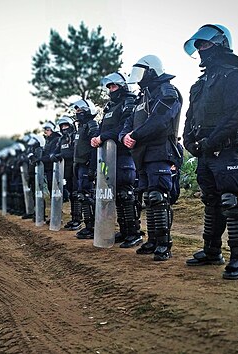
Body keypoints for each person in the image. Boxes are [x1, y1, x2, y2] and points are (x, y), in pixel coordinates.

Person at [182, 24, 238, 279]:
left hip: (225, 150)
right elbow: (190, 117)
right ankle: (212, 251)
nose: (201, 49)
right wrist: (188, 141)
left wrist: (212, 141)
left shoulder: (234, 76)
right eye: (198, 45)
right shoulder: (199, 84)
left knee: (231, 202)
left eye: (205, 44)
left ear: (220, 44)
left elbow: (237, 114)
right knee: (211, 201)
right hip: (203, 152)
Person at [120, 55, 183, 261]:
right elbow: (128, 122)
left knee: (159, 197)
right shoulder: (142, 97)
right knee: (148, 197)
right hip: (142, 155)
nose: (138, 79)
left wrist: (134, 136)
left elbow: (160, 121)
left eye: (141, 74)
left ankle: (164, 244)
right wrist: (124, 137)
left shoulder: (167, 91)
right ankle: (153, 240)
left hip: (160, 151)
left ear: (152, 71)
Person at [92, 72, 143, 247]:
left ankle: (134, 232)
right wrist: (97, 137)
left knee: (126, 194)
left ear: (122, 86)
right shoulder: (109, 108)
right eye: (109, 87)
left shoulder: (129, 102)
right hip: (108, 158)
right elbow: (103, 129)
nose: (111, 90)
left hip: (124, 157)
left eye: (114, 86)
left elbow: (123, 128)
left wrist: (103, 136)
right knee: (116, 197)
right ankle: (124, 230)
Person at [71, 99, 100, 240]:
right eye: (77, 111)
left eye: (80, 111)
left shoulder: (92, 125)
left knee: (87, 196)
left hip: (87, 165)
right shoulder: (80, 127)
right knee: (81, 195)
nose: (78, 113)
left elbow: (95, 147)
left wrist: (92, 168)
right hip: (79, 165)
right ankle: (88, 226)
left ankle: (93, 227)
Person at [51, 116, 81, 230]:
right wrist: (53, 155)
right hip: (65, 170)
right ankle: (73, 218)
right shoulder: (61, 139)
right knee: (71, 194)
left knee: (76, 194)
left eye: (66, 125)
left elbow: (75, 151)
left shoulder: (74, 136)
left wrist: (61, 155)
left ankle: (78, 220)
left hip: (75, 168)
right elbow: (56, 151)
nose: (64, 128)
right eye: (62, 126)